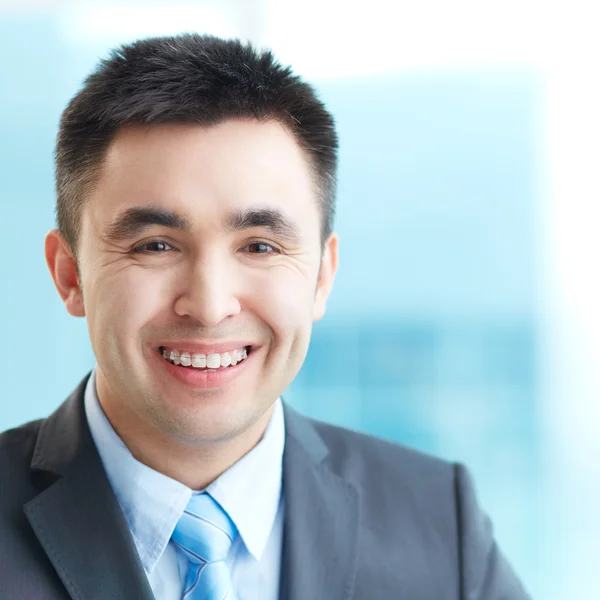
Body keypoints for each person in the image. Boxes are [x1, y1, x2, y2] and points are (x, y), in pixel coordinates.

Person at [0, 33, 531, 600]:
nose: (208, 306)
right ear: (70, 274)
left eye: (259, 247)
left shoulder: (439, 525)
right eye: (155, 246)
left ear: (322, 276)